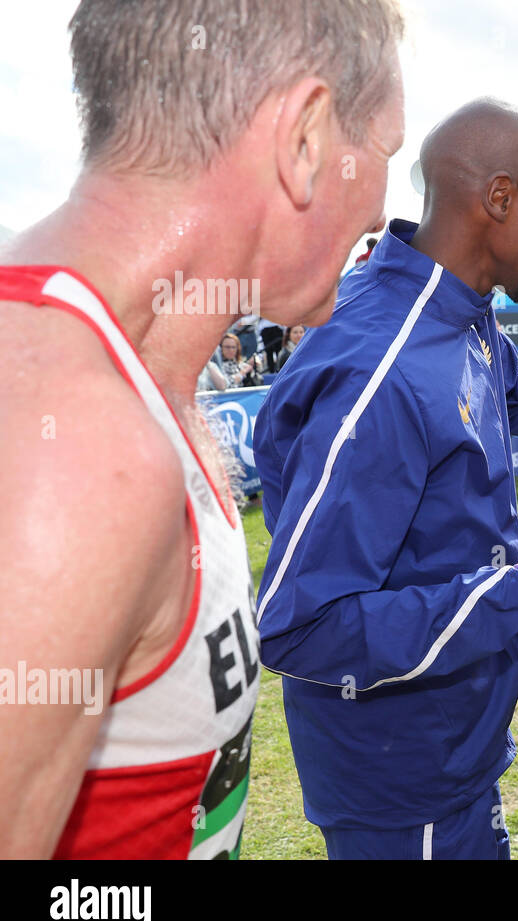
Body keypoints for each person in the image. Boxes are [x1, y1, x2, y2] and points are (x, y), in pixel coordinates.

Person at [0, 0, 405, 858]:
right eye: (386, 150)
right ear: (305, 140)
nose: (383, 208)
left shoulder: (132, 382)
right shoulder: (72, 438)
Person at [253, 98, 518, 861]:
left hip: (456, 755)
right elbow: (297, 627)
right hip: (398, 782)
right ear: (500, 199)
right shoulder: (381, 370)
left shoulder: (457, 308)